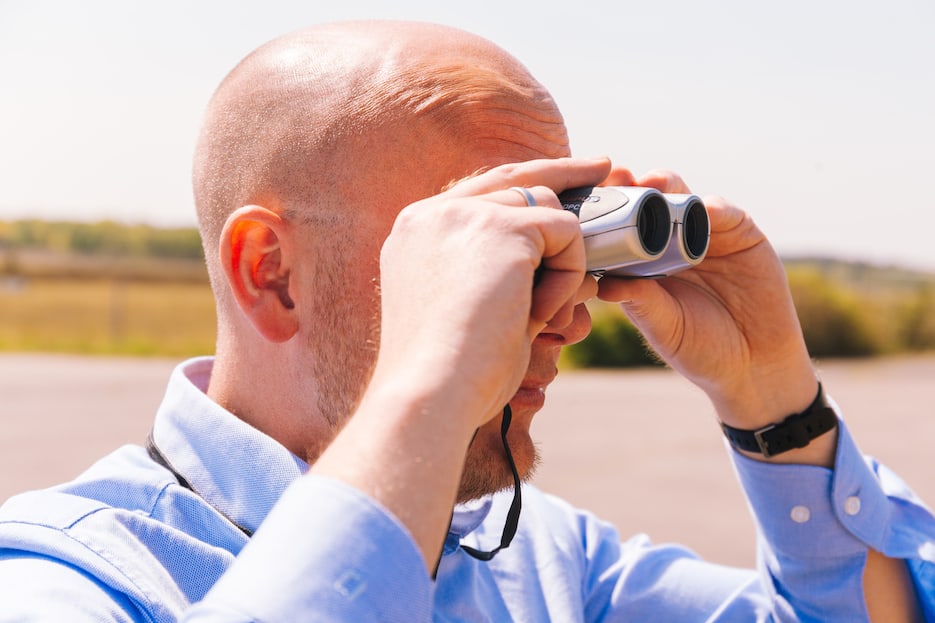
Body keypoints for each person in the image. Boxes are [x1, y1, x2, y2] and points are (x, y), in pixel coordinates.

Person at [0, 19, 932, 622]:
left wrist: (773, 399)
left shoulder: (548, 564)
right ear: (271, 273)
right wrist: (431, 385)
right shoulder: (67, 578)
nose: (563, 315)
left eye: (562, 247)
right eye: (492, 254)